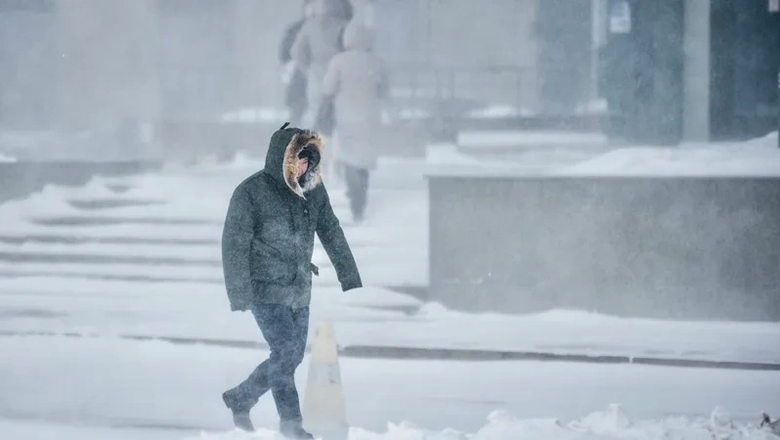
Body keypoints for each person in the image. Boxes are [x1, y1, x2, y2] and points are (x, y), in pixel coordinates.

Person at [220, 122, 363, 439]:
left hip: (299, 289)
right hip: (264, 289)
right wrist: (240, 292)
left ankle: (240, 397)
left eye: (307, 161)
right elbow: (234, 244)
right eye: (297, 159)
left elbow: (330, 229)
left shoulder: (313, 190)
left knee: (290, 356)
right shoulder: (251, 192)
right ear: (281, 158)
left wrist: (348, 272)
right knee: (285, 353)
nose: (302, 167)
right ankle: (291, 424)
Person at [320, 21, 388, 222]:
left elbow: (328, 89)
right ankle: (361, 200)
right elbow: (384, 90)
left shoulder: (338, 62)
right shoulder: (376, 62)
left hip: (346, 116)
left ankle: (355, 199)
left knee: (350, 159)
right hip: (369, 117)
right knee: (364, 161)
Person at [290, 0, 351, 127]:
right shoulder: (344, 26)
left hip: (318, 73)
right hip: (339, 75)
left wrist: (307, 70)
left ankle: (319, 142)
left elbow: (296, 52)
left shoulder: (310, 26)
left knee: (318, 112)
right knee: (338, 112)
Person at [279, 1, 315, 124]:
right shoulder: (295, 29)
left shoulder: (330, 28)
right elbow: (284, 53)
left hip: (318, 75)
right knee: (297, 110)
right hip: (299, 76)